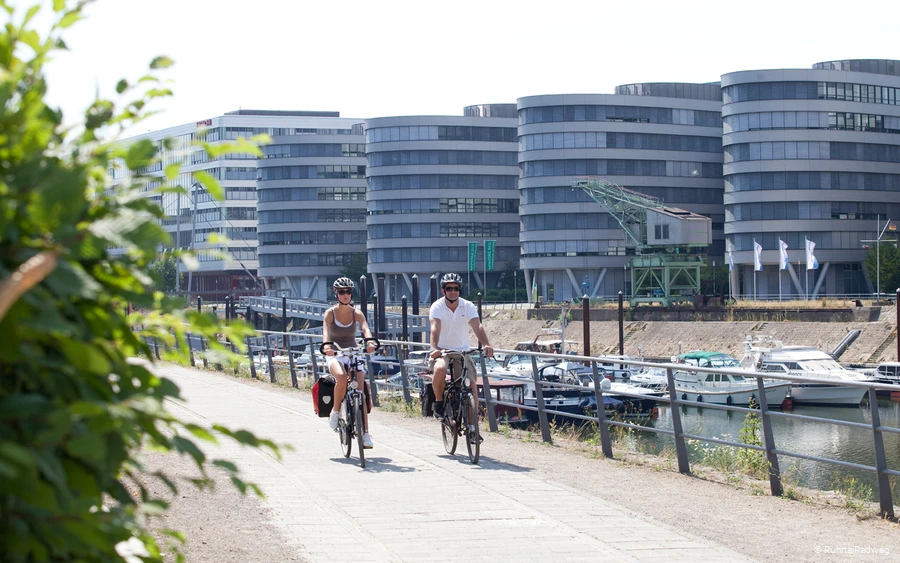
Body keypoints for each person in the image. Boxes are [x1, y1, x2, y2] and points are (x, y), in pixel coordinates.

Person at [428, 273, 494, 420]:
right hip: (442, 350)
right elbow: (435, 328)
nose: (453, 291)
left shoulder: (467, 306)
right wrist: (434, 348)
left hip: (462, 351)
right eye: (449, 288)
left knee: (471, 386)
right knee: (439, 369)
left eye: (456, 288)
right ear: (443, 291)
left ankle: (472, 425)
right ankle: (439, 402)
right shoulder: (437, 306)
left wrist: (487, 344)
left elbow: (477, 326)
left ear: (459, 290)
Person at [323, 277, 376, 449]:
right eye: (342, 292)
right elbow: (326, 331)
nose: (345, 295)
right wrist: (327, 346)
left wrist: (369, 342)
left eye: (348, 291)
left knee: (360, 393)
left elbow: (365, 328)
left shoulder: (357, 313)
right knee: (341, 376)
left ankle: (365, 433)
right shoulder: (330, 313)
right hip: (336, 352)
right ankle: (335, 411)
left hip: (353, 352)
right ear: (336, 293)